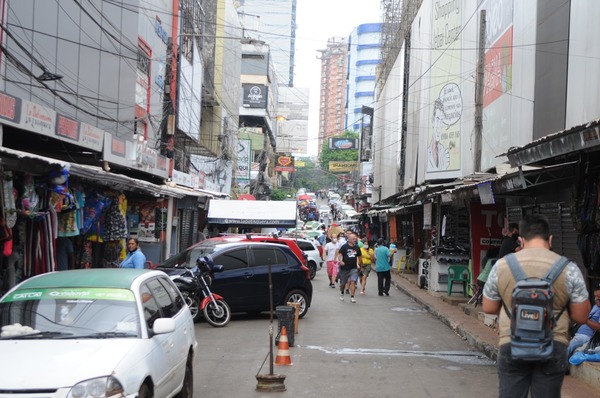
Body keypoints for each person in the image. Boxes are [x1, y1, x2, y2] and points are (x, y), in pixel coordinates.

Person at [482, 215, 590, 398]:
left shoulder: (502, 265)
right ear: (550, 239)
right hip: (553, 344)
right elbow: (581, 317)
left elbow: (489, 307)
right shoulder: (568, 268)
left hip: (512, 342)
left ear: (521, 240)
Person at [568, 288, 600, 357]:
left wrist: (586, 320)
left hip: (585, 336)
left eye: (598, 297)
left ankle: (557, 365)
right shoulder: (595, 306)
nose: (596, 299)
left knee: (567, 348)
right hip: (578, 333)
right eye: (595, 296)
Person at [336, 232, 361, 303]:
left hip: (354, 268)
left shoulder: (357, 247)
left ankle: (352, 297)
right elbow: (339, 255)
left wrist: (358, 264)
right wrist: (341, 261)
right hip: (345, 268)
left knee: (353, 281)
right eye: (353, 239)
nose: (354, 240)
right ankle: (342, 293)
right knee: (344, 282)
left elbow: (359, 257)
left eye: (355, 239)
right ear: (349, 239)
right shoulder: (344, 246)